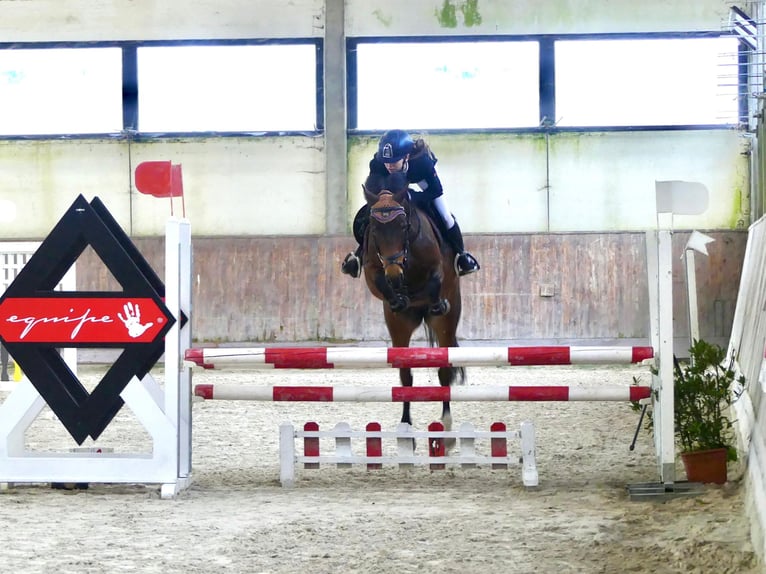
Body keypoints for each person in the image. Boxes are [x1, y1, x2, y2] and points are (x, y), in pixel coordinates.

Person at [341, 129, 480, 278]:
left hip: (420, 177)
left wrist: (412, 197)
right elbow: (373, 189)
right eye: (386, 162)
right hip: (392, 184)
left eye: (394, 161)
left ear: (406, 156)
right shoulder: (378, 164)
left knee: (445, 216)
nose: (389, 166)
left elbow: (435, 191)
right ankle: (359, 255)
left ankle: (461, 255)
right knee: (373, 212)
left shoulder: (423, 163)